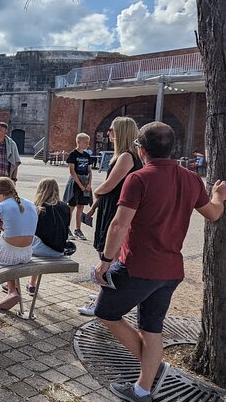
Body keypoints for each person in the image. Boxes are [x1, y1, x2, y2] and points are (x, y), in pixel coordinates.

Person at [93, 122, 226, 402]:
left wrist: (105, 260)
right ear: (171, 149)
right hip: (170, 271)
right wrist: (218, 195)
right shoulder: (191, 179)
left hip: (138, 267)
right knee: (151, 328)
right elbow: (213, 214)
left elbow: (119, 225)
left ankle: (151, 370)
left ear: (141, 150)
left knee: (105, 312)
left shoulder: (139, 178)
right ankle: (143, 388)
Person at [79, 117, 141, 316]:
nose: (109, 134)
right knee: (109, 252)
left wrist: (94, 191)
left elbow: (110, 185)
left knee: (109, 254)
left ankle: (104, 302)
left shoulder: (126, 156)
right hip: (113, 206)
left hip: (115, 208)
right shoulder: (129, 155)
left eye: (112, 130)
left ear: (121, 132)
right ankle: (104, 296)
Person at [0, 177, 37, 310]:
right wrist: (4, 230)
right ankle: (12, 290)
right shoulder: (30, 204)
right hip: (27, 253)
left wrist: (0, 234)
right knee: (8, 253)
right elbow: (24, 230)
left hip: (8, 254)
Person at [26, 178, 71, 293]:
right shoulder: (65, 207)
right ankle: (31, 283)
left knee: (23, 241)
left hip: (41, 249)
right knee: (40, 239)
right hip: (58, 250)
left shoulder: (38, 208)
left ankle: (17, 285)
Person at [63, 133, 93, 241]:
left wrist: (89, 184)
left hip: (85, 181)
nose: (87, 145)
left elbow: (89, 171)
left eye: (88, 143)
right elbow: (72, 171)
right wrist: (80, 185)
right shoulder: (73, 154)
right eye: (85, 142)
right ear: (79, 142)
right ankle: (67, 229)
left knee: (81, 206)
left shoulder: (87, 155)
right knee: (71, 206)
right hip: (75, 183)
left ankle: (78, 229)